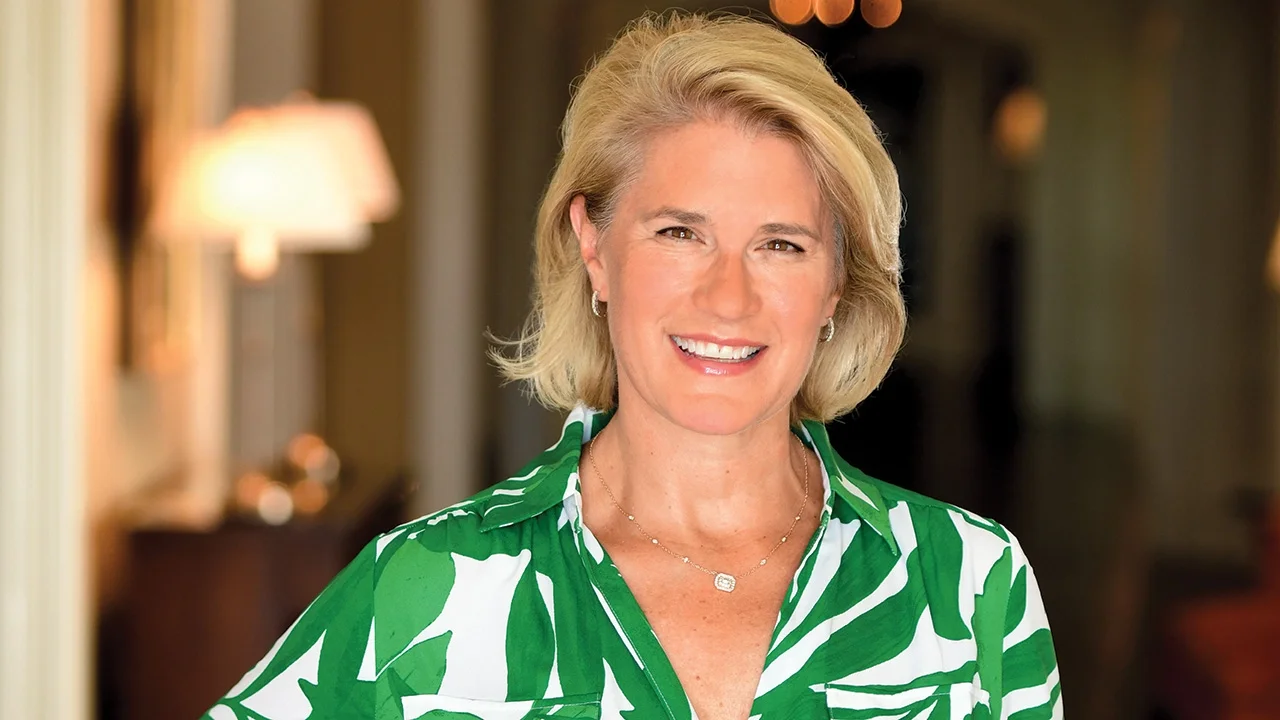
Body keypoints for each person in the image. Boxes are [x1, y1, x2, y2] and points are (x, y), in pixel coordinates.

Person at [203, 12, 1060, 720]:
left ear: (836, 282)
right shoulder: (425, 588)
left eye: (782, 245)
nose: (729, 298)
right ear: (595, 249)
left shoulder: (969, 585)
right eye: (680, 233)